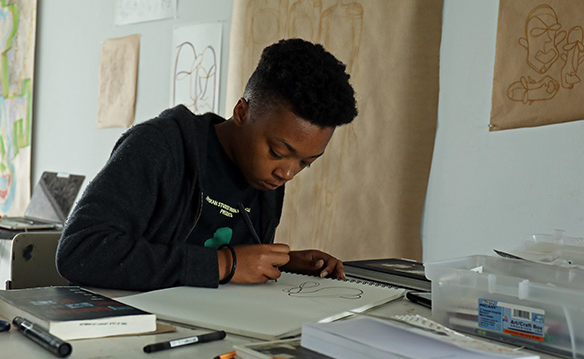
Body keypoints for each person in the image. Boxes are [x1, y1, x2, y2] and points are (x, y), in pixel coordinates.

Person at [56, 38, 358, 291]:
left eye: (306, 162)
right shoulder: (159, 147)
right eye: (278, 152)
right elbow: (81, 250)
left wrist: (281, 263)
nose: (287, 173)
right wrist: (227, 264)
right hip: (128, 329)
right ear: (241, 112)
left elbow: (223, 261)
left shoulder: (266, 178)